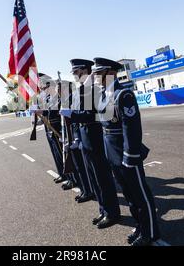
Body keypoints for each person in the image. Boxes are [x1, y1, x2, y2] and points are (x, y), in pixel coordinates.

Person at [93, 57, 161, 246]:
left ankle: (151, 233)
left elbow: (131, 129)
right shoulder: (104, 95)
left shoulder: (123, 95)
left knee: (140, 195)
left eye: (99, 73)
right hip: (113, 154)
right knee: (129, 196)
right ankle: (140, 226)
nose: (95, 77)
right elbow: (105, 129)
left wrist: (130, 156)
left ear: (111, 73)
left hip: (126, 154)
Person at [60, 59, 121, 229]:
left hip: (94, 137)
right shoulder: (82, 88)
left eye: (75, 71)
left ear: (83, 70)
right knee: (94, 178)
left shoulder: (90, 89)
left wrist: (72, 114)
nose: (73, 74)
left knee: (103, 178)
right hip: (85, 138)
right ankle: (103, 209)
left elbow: (90, 115)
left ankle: (112, 213)